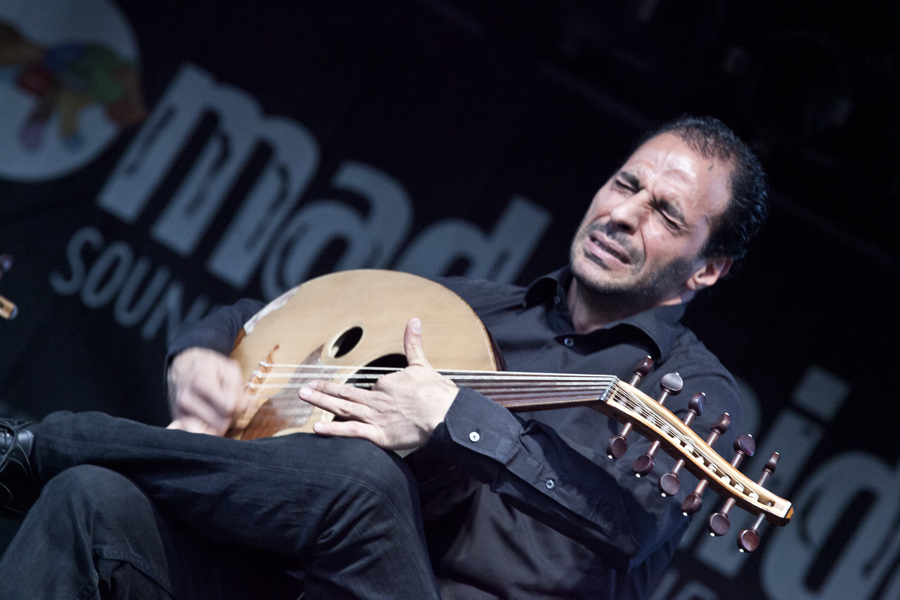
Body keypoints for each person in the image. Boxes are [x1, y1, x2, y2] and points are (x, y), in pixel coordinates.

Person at [0, 115, 767, 599]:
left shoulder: (694, 400)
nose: (624, 214)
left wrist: (453, 419)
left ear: (706, 269)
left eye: (665, 213)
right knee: (94, 505)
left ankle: (41, 443)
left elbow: (631, 528)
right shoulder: (481, 310)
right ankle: (62, 458)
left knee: (365, 480)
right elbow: (252, 314)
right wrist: (203, 358)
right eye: (625, 184)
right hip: (310, 583)